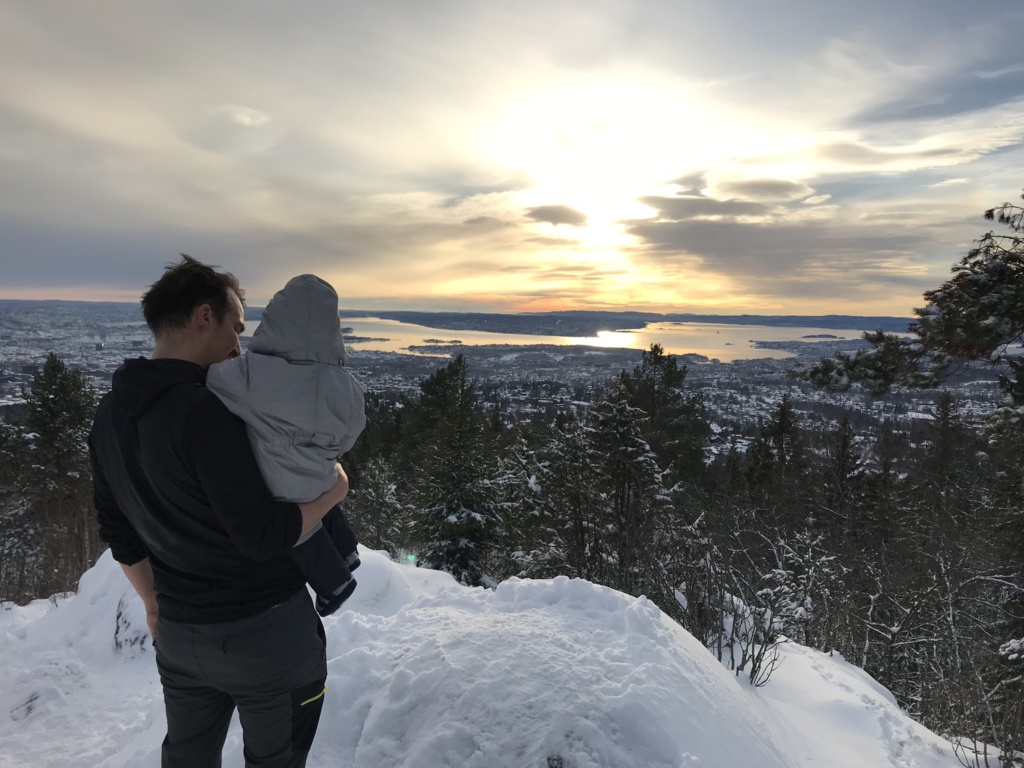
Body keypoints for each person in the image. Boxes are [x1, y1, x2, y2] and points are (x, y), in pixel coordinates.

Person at [89, 255, 348, 768]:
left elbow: (119, 530)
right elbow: (262, 535)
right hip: (267, 637)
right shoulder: (206, 413)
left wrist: (154, 603)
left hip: (182, 640)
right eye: (236, 326)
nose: (238, 344)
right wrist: (333, 492)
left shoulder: (111, 412)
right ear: (205, 316)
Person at [207, 273, 367, 617]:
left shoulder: (249, 376)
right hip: (322, 474)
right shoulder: (348, 387)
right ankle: (348, 550)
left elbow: (212, 380)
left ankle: (334, 585)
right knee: (324, 501)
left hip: (276, 484)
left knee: (301, 534)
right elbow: (351, 434)